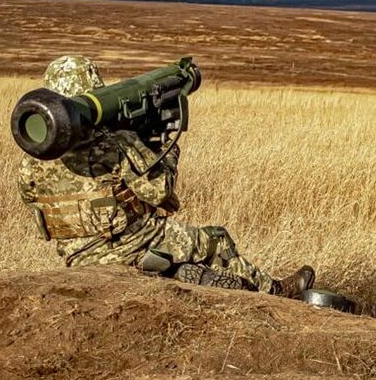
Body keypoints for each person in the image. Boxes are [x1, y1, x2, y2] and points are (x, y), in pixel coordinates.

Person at [17, 55, 315, 298]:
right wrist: (164, 149)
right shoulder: (116, 145)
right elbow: (159, 191)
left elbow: (34, 201)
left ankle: (173, 273)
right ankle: (275, 292)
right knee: (215, 241)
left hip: (75, 259)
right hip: (131, 246)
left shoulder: (31, 161)